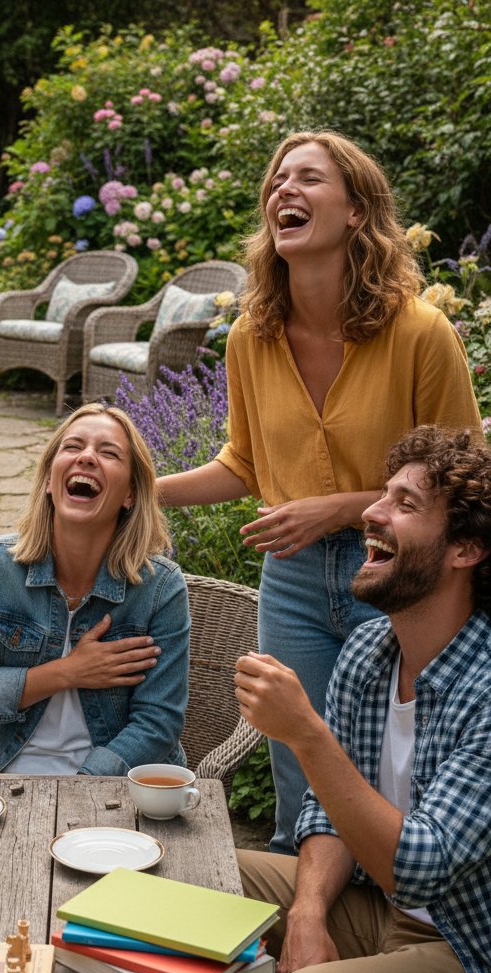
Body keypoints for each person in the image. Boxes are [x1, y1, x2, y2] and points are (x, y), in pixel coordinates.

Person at [155, 130, 481, 853]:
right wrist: (140, 490)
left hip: (403, 576)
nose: (284, 191)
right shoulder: (251, 336)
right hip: (294, 581)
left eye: (309, 178)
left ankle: (400, 929)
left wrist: (340, 508)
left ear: (357, 211)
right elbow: (244, 464)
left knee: (399, 762)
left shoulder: (420, 333)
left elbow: (464, 479)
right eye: (277, 181)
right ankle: (304, 928)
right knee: (299, 766)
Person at [235, 425, 491, 973]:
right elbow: (328, 811)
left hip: (464, 946)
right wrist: (306, 916)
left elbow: (421, 868)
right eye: (382, 496)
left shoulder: (484, 684)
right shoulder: (370, 648)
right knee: (190, 871)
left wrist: (306, 734)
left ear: (466, 550)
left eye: (405, 505)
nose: (371, 514)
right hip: (374, 904)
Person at [0, 403, 189, 775]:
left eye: (108, 453)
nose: (87, 457)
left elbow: (158, 724)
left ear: (131, 494)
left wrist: (81, 787)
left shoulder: (161, 587)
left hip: (116, 781)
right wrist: (68, 671)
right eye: (72, 447)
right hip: (10, 773)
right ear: (48, 481)